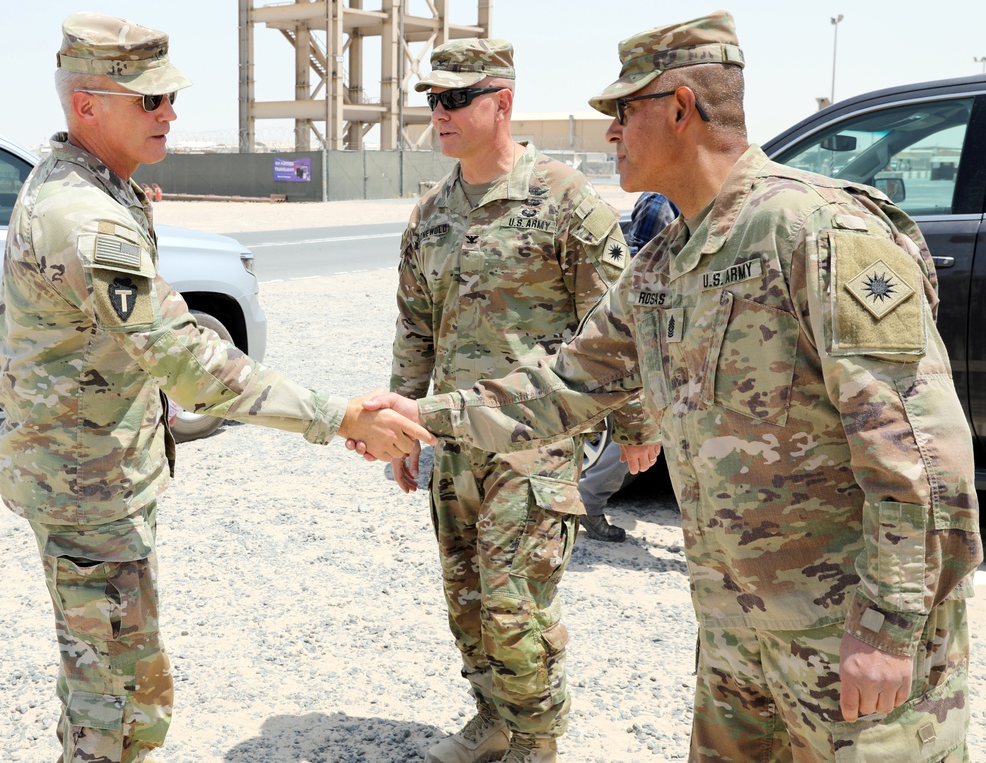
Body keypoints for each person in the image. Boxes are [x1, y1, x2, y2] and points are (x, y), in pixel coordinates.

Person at [357, 11, 983, 761]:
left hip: (848, 652)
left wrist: (888, 623)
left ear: (681, 109)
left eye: (623, 111)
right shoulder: (661, 270)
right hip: (734, 644)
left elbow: (921, 452)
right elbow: (556, 386)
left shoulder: (815, 232)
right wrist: (417, 412)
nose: (611, 133)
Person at [0, 13, 434, 763]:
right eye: (148, 101)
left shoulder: (91, 184)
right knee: (120, 711)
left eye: (169, 98)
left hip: (89, 478)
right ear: (87, 106)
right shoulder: (85, 216)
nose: (170, 113)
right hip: (85, 492)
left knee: (118, 690)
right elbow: (193, 363)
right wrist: (341, 415)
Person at [388, 38, 658, 763]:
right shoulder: (431, 214)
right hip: (453, 437)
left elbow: (614, 322)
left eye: (454, 99)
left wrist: (636, 422)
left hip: (536, 439)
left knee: (514, 605)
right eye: (432, 101)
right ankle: (495, 716)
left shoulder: (566, 202)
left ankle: (537, 738)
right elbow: (416, 325)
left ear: (501, 102)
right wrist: (401, 425)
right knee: (467, 600)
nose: (438, 114)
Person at [578, 190, 678, 543]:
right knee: (649, 422)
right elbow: (641, 278)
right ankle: (587, 501)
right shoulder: (660, 202)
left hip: (688, 329)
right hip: (666, 333)